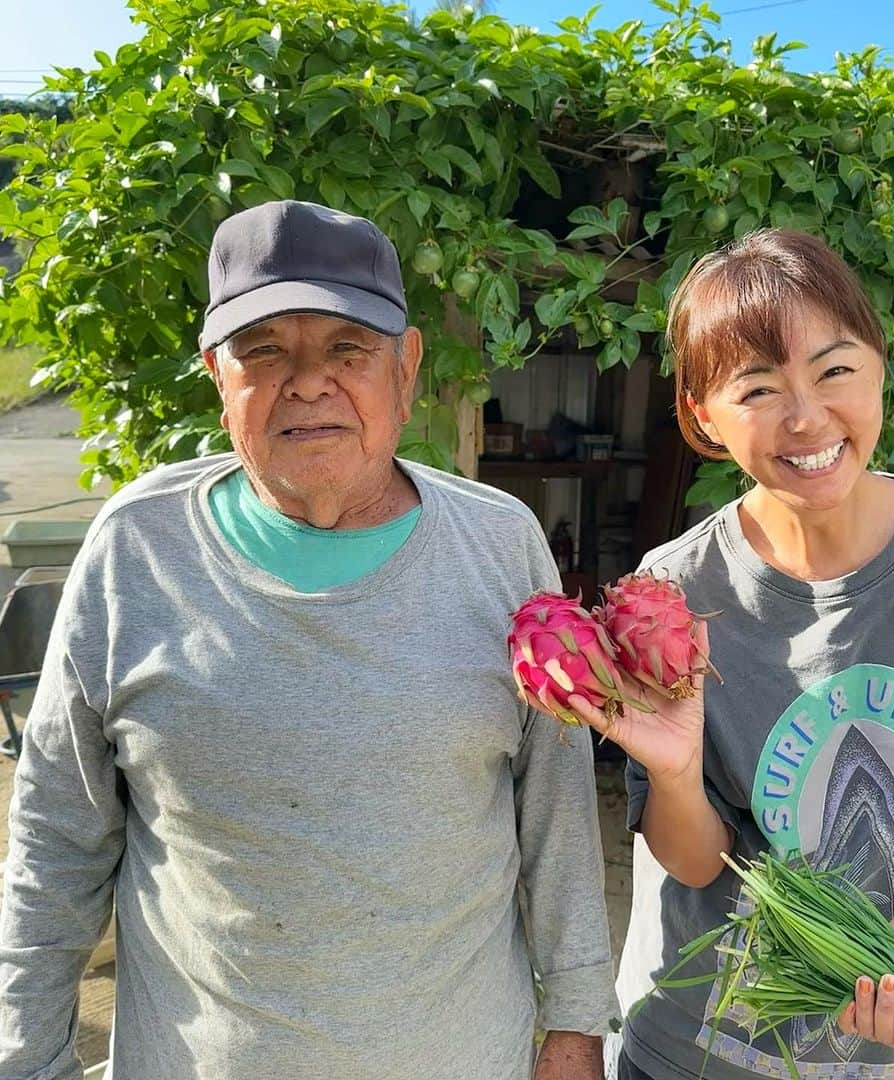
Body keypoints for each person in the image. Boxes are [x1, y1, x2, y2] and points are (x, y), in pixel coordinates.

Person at [0, 200, 618, 1079]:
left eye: (347, 348)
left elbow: (556, 814)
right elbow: (56, 837)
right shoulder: (137, 548)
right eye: (264, 352)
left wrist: (577, 1026)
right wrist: (27, 1060)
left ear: (405, 369)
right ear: (219, 377)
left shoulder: (502, 545)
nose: (307, 381)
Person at [567, 230, 894, 1080]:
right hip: (696, 1056)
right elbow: (697, 862)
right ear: (703, 415)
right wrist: (675, 770)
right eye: (759, 388)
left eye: (834, 370)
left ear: (880, 364)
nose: (805, 419)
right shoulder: (674, 592)